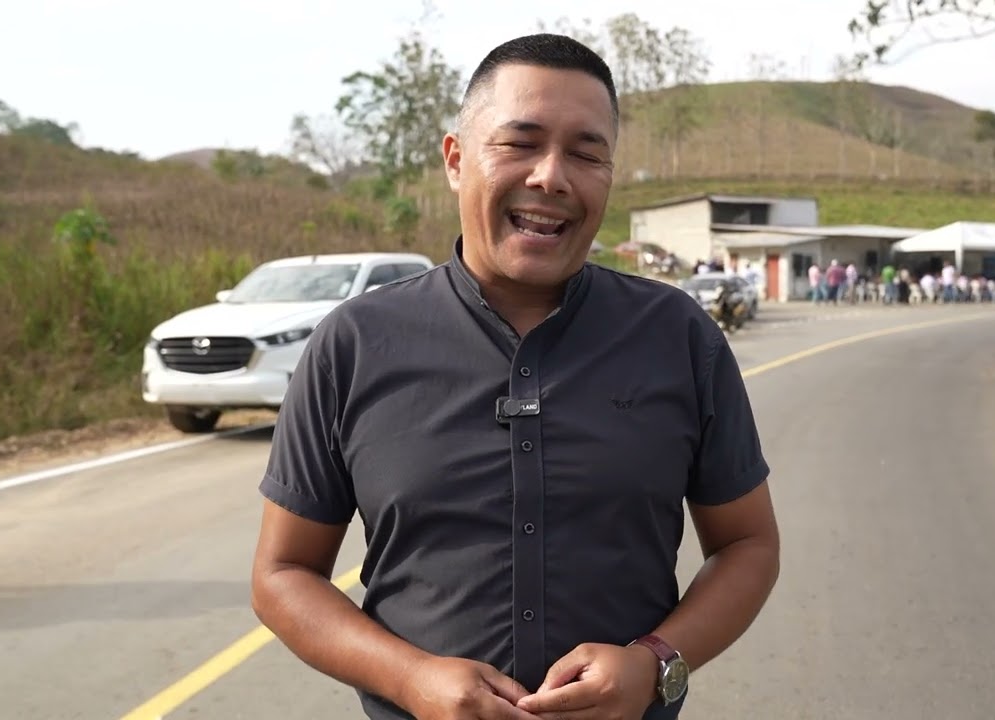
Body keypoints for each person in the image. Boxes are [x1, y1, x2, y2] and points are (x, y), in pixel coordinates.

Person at [250, 33, 780, 720]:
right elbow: (282, 574)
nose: (551, 177)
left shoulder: (678, 337)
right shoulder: (354, 344)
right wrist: (410, 678)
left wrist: (653, 664)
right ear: (455, 159)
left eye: (587, 152)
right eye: (519, 143)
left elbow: (748, 544)